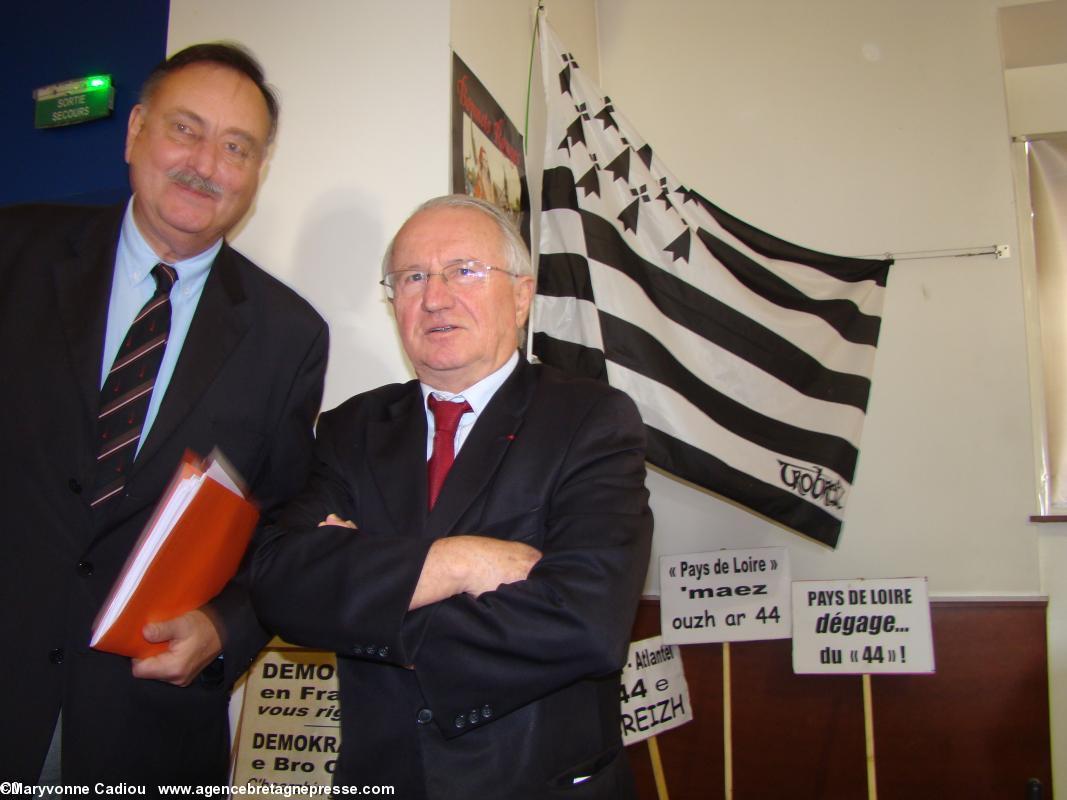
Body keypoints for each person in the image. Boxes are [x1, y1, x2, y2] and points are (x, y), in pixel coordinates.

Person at [0, 43, 328, 783]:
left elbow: (284, 519)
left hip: (144, 730)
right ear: (135, 130)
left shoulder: (290, 336)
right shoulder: (12, 250)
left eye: (236, 147)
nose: (205, 163)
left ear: (257, 172)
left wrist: (226, 625)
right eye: (186, 129)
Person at [251, 194, 652, 799]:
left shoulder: (590, 420)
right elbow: (280, 584)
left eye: (464, 270)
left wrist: (370, 596)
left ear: (520, 296)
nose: (434, 297)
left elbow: (585, 623)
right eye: (412, 277)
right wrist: (459, 562)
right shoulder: (351, 428)